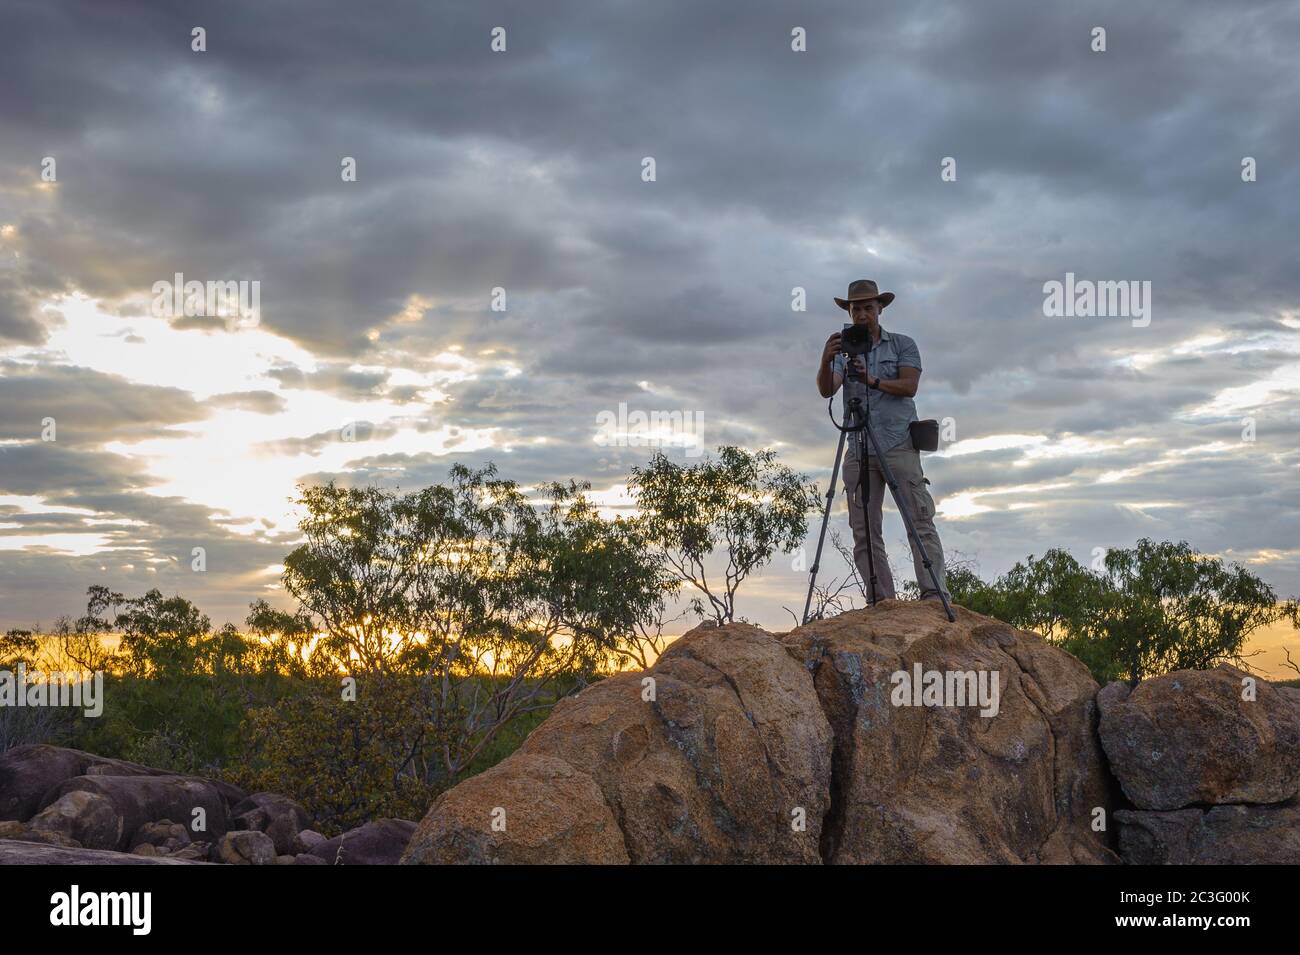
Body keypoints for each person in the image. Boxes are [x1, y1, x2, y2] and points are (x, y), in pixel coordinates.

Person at [815, 279, 950, 602]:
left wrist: (872, 380)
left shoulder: (902, 344)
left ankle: (934, 593)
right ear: (849, 311)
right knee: (863, 528)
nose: (862, 314)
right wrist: (825, 359)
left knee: (918, 518)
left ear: (880, 309)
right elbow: (826, 389)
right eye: (856, 308)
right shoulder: (843, 346)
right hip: (857, 444)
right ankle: (881, 600)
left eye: (868, 308)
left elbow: (909, 386)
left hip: (898, 442)